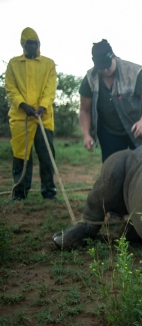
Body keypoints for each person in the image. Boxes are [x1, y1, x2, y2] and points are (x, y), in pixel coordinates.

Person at [79, 39, 142, 163]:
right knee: (111, 170)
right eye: (101, 67)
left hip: (137, 129)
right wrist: (86, 135)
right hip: (109, 132)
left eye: (107, 65)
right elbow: (85, 110)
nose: (105, 70)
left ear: (114, 57)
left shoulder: (134, 72)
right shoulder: (90, 79)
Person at [6, 27, 58, 201]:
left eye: (35, 43)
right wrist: (23, 105)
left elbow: (50, 89)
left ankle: (49, 192)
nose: (32, 47)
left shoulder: (48, 64)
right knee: (21, 156)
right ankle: (20, 193)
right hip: (21, 118)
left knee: (47, 155)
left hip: (44, 118)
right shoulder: (13, 64)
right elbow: (11, 89)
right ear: (22, 45)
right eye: (29, 44)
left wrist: (42, 107)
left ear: (39, 44)